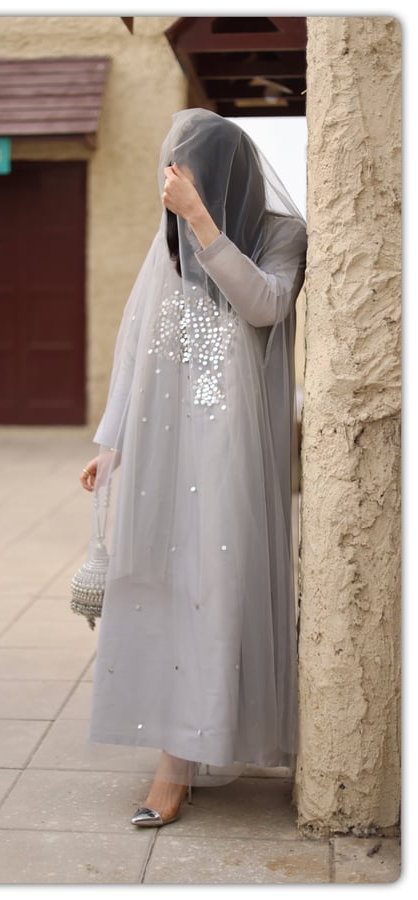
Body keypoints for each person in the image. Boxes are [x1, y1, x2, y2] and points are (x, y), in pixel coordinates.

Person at [79, 108, 307, 828]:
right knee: (162, 583)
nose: (173, 187)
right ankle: (173, 755)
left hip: (230, 442)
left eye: (187, 173)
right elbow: (137, 342)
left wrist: (203, 221)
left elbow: (265, 305)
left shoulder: (280, 234)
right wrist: (112, 441)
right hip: (163, 442)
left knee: (218, 585)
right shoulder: (170, 240)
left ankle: (196, 746)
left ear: (219, 172)